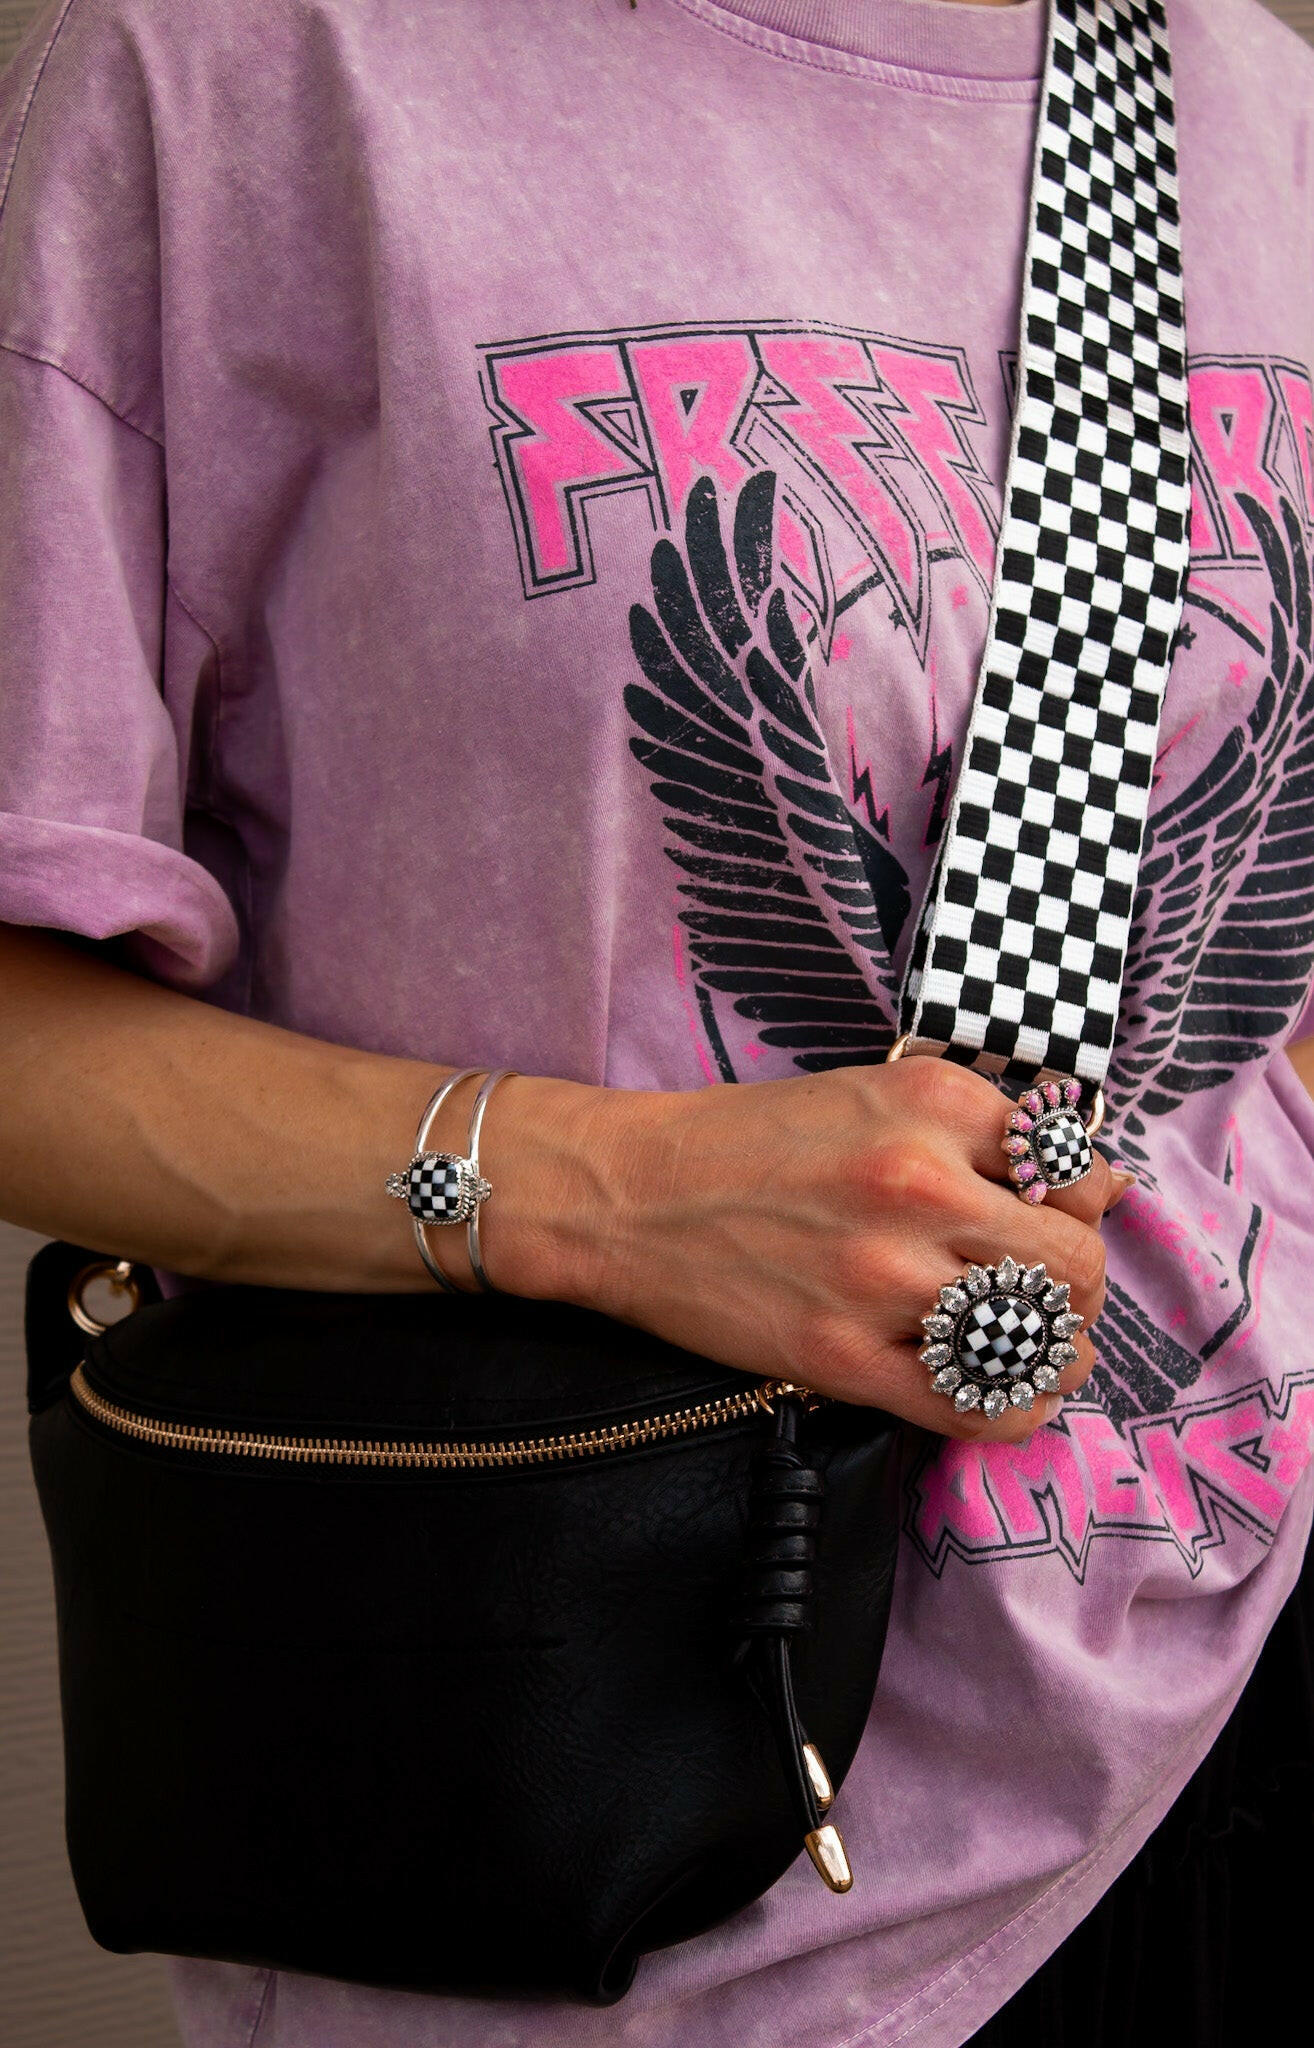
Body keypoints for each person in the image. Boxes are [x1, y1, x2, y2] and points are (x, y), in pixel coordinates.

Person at [1, 0, 1311, 2041]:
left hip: (1248, 1655)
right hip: (627, 1814)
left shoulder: (1260, 104)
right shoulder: (241, 73)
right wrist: (602, 1195)